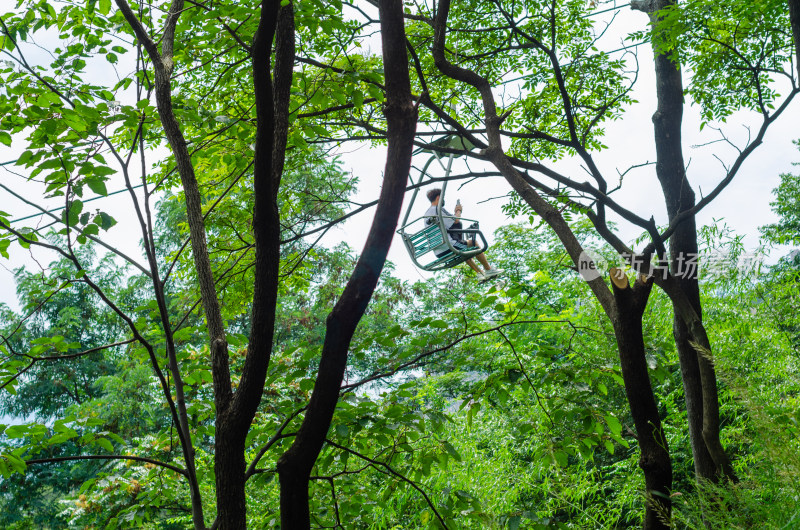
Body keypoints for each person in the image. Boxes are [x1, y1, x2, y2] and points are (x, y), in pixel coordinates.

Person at [424, 188, 504, 280]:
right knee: (473, 243)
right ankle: (488, 269)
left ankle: (480, 273)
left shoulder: (426, 214)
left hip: (438, 252)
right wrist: (458, 211)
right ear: (438, 197)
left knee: (464, 248)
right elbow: (456, 220)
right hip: (449, 247)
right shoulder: (438, 210)